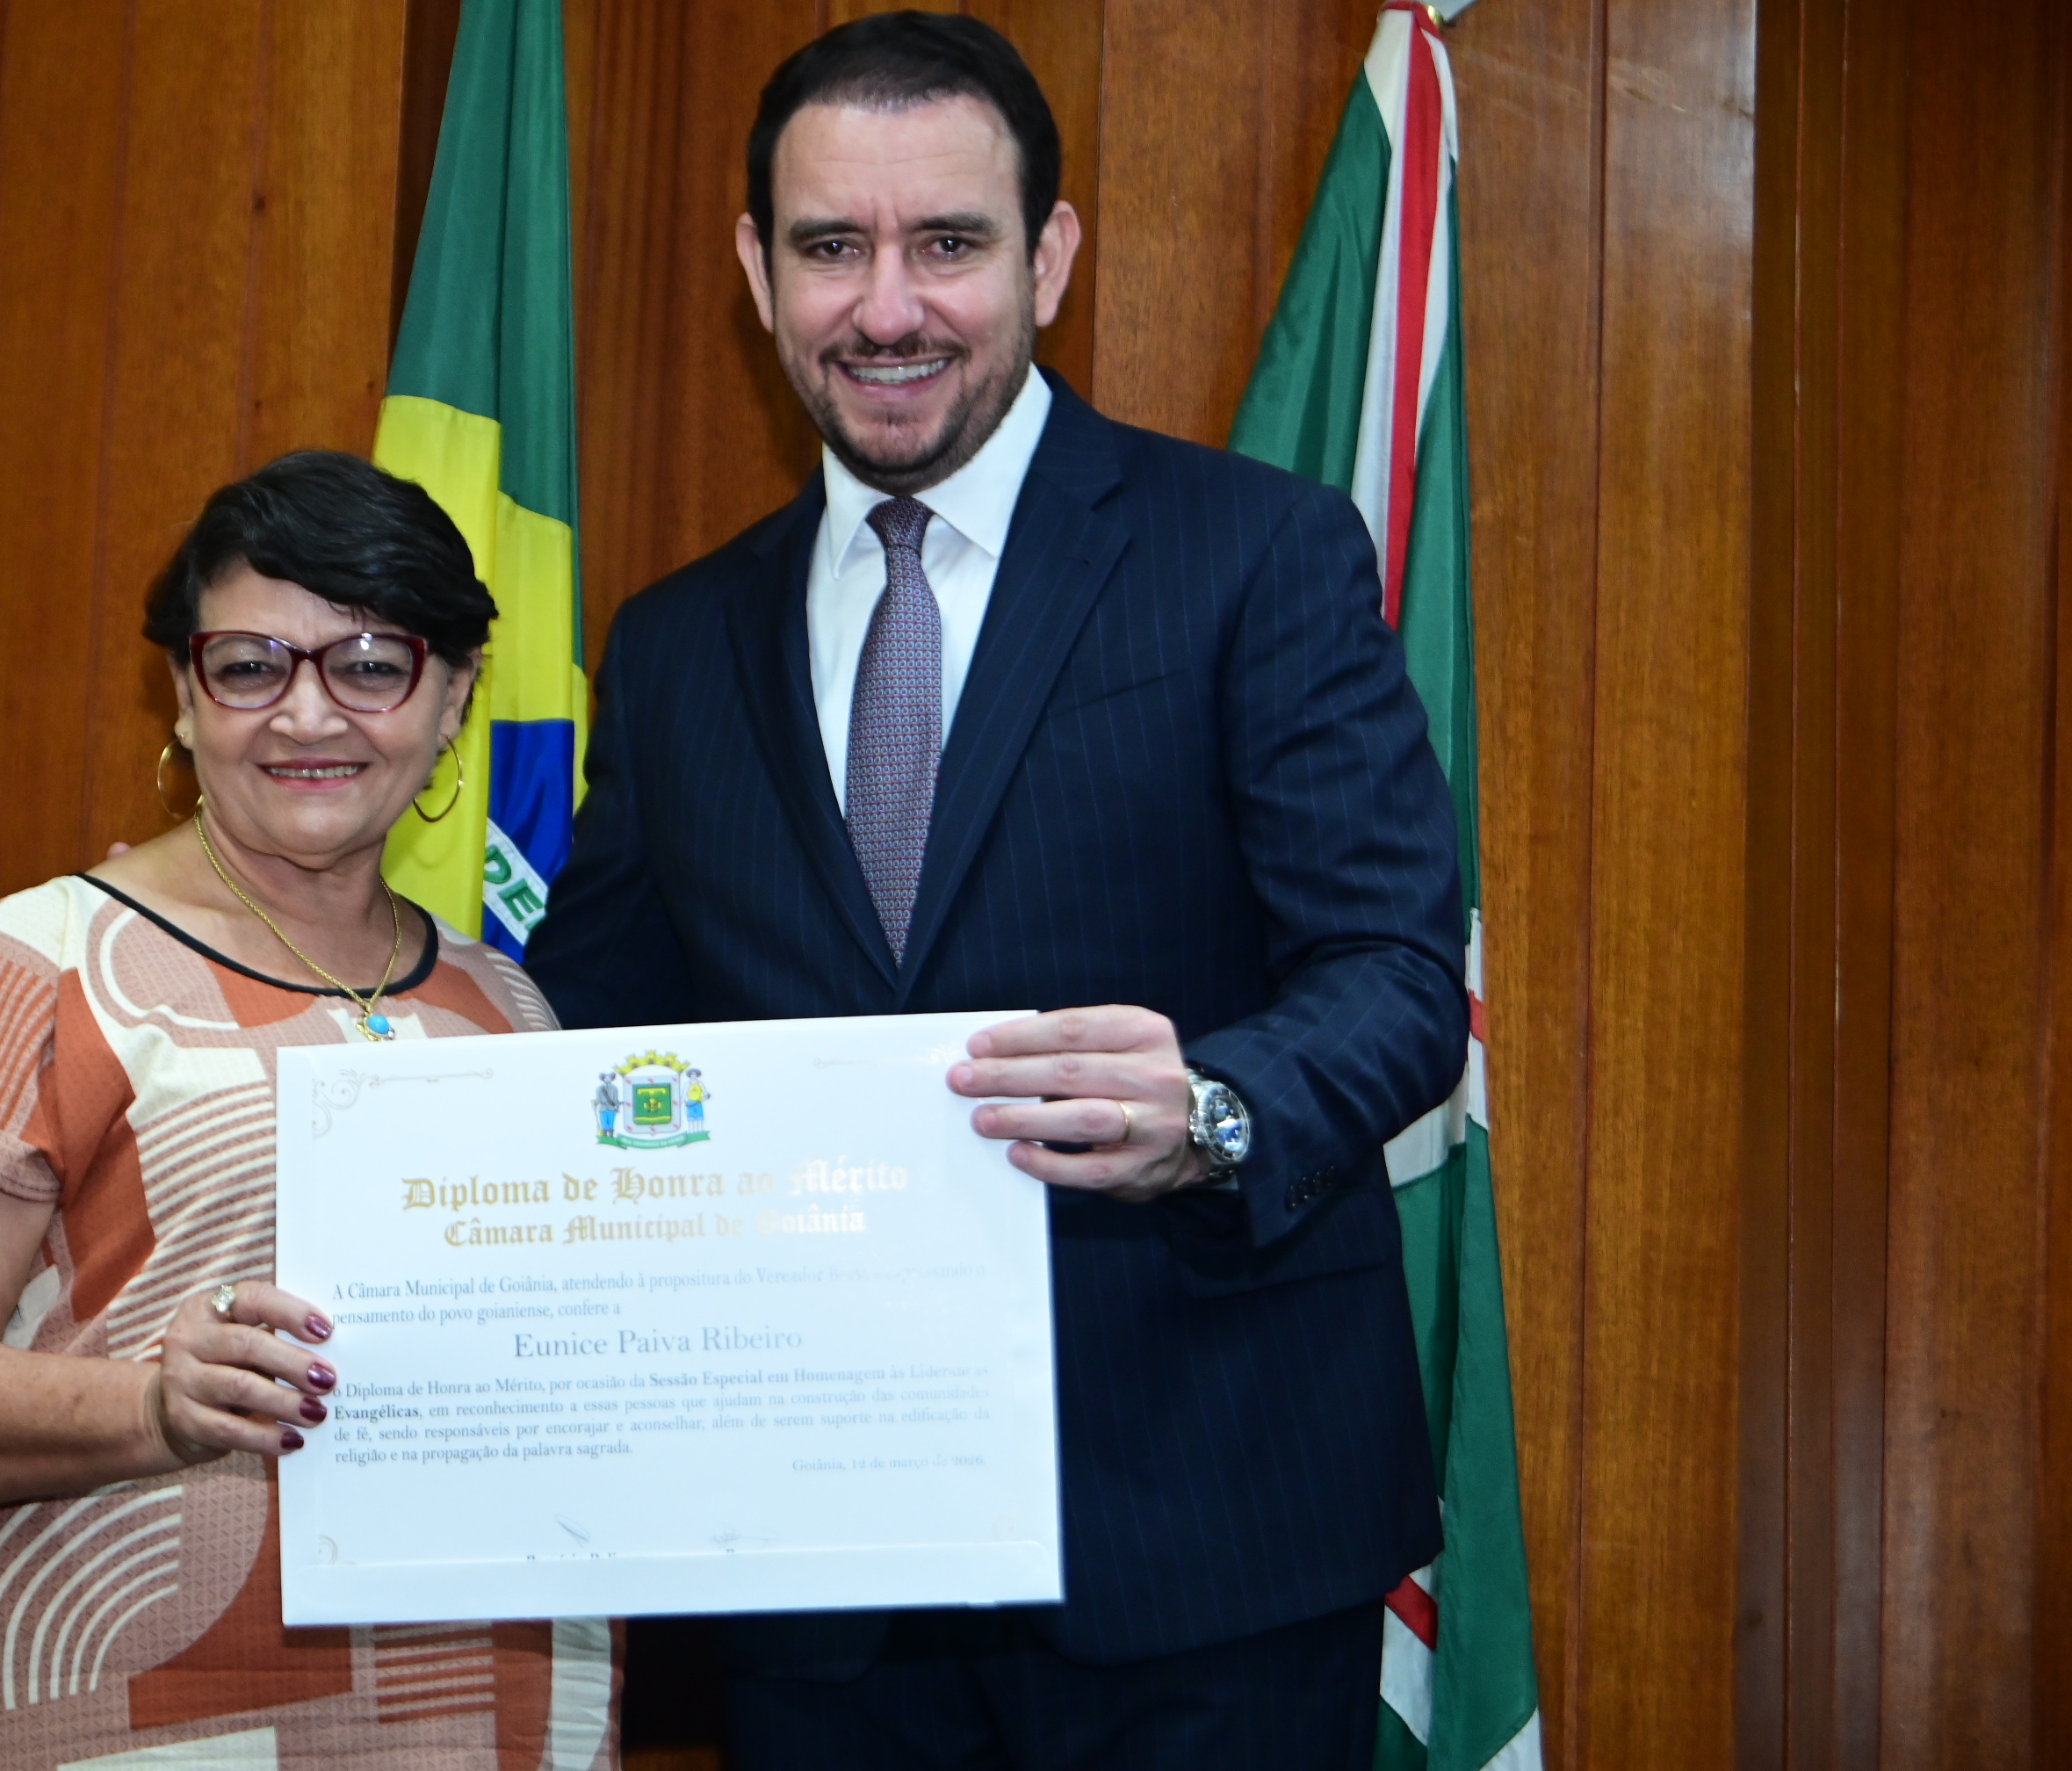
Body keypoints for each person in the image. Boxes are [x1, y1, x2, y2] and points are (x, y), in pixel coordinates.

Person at [524, 13, 1464, 1769]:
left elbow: (1395, 971)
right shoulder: (672, 646)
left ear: (1052, 256)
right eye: (833, 247)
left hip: (1206, 1540)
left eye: (948, 242)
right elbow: (587, 1032)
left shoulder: (1253, 553)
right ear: (758, 272)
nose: (888, 308)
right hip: (818, 1577)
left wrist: (1216, 1110)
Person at [0, 452, 619, 1768]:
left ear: (454, 696)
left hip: (481, 1714)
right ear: (185, 698)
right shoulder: (44, 959)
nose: (307, 714)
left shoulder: (509, 1006)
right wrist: (154, 1407)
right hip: (125, 1718)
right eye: (249, 666)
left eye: (371, 665)